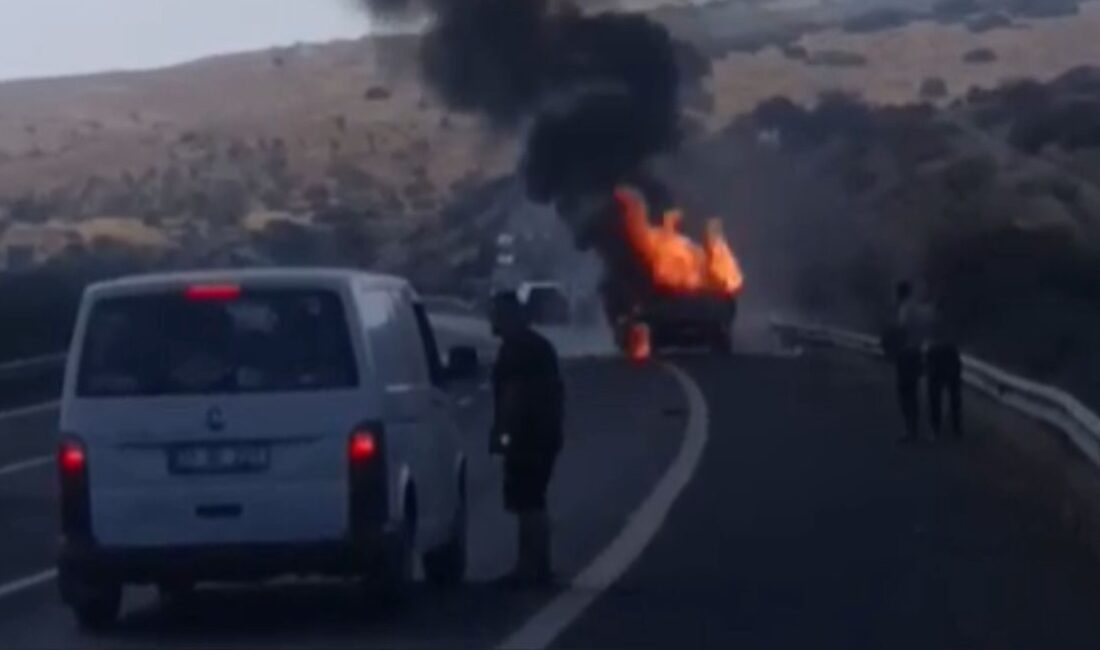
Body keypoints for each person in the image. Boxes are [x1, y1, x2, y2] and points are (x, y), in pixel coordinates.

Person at [489, 291, 564, 588]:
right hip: (545, 434)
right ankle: (538, 566)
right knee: (534, 500)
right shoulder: (538, 346)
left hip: (527, 437)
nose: (492, 320)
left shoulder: (516, 350)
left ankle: (528, 568)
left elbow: (513, 397)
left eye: (496, 314)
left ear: (510, 316)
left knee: (526, 501)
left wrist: (503, 435)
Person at [893, 281, 927, 441]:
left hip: (906, 354)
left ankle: (910, 430)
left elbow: (902, 330)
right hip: (917, 352)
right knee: (912, 392)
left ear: (900, 293)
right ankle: (913, 428)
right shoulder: (918, 308)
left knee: (904, 393)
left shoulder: (905, 309)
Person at [925, 301, 963, 438]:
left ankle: (937, 427)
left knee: (935, 394)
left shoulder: (930, 319)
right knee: (953, 393)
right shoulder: (953, 321)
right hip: (949, 353)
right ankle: (955, 427)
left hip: (937, 353)